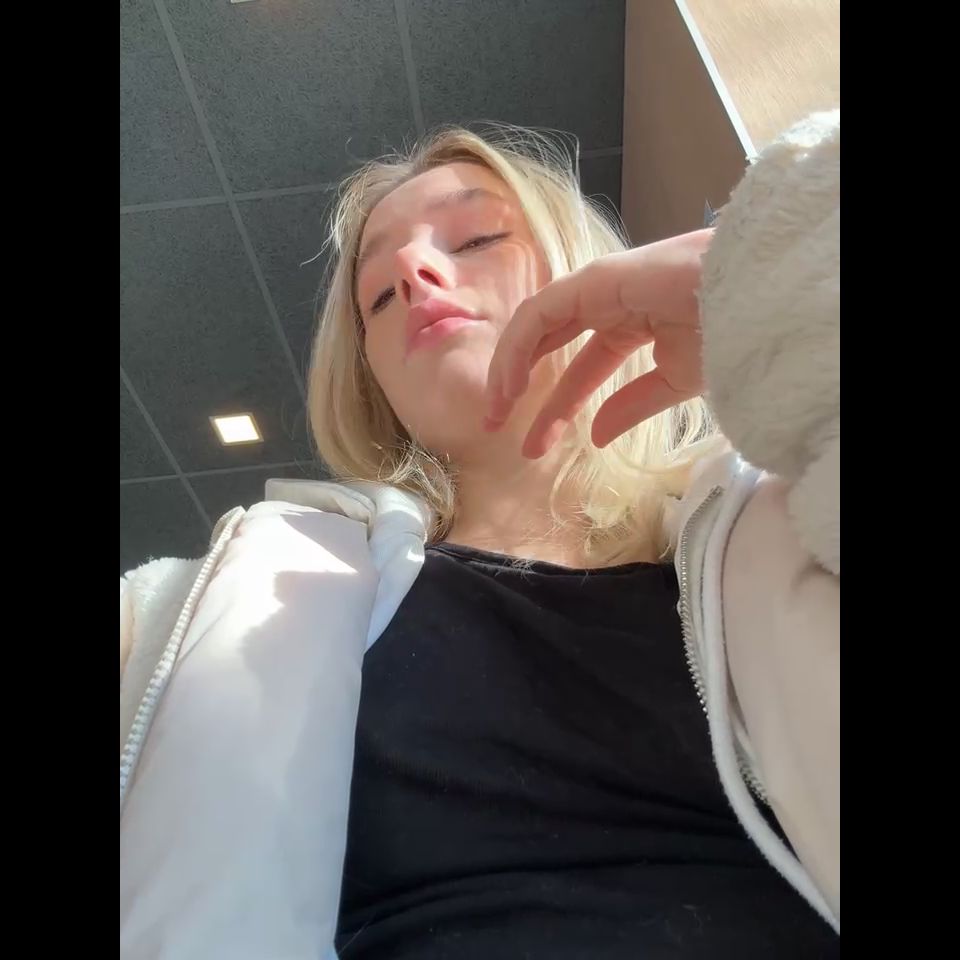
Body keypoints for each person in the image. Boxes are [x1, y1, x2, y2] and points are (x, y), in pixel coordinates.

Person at [120, 112, 840, 959]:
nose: (413, 272)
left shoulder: (785, 521)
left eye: (475, 239)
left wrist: (794, 305)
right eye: (377, 296)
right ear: (376, 385)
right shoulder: (236, 601)